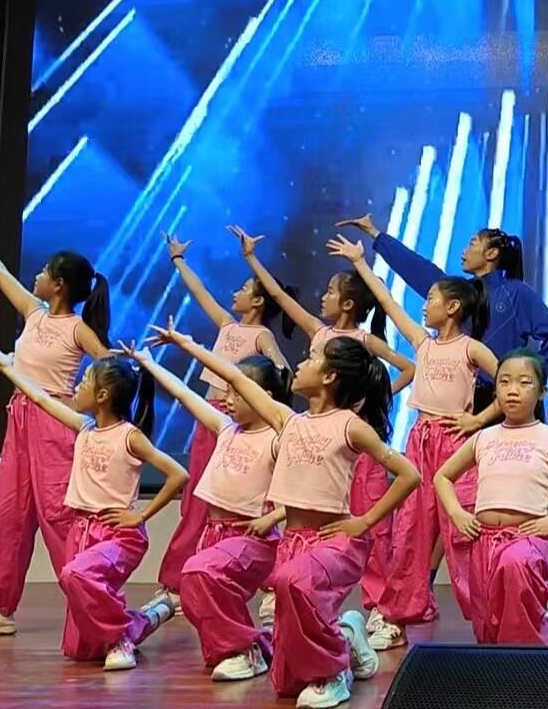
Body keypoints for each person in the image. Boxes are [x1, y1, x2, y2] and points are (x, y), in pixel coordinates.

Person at [149, 321, 420, 709]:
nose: (301, 363)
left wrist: (364, 522)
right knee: (287, 679)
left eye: (312, 358)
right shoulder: (287, 421)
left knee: (295, 582)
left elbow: (409, 474)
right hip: (294, 543)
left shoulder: (351, 426)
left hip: (333, 542)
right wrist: (185, 342)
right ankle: (347, 636)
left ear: (329, 376)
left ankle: (332, 673)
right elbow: (233, 377)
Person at [227, 224, 414, 628]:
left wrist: (372, 400)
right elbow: (280, 298)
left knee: (366, 524)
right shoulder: (319, 332)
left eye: (330, 292)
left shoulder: (364, 343)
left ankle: (378, 607)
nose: (323, 297)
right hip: (317, 439)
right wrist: (251, 258)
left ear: (347, 303)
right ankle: (299, 591)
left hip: (351, 441)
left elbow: (408, 368)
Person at [326, 233, 500, 651]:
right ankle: (396, 617)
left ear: (453, 307)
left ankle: (493, 619)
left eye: (432, 298)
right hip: (421, 441)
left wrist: (478, 419)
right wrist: (361, 262)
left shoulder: (472, 349)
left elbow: (512, 381)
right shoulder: (423, 344)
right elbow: (388, 302)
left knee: (463, 531)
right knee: (410, 532)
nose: (425, 304)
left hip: (455, 446)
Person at [0, 346, 186, 669]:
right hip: (82, 533)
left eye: (84, 381)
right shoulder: (84, 427)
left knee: (74, 574)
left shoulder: (129, 436)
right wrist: (9, 369)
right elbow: (41, 399)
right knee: (82, 648)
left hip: (117, 535)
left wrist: (140, 515)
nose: (77, 386)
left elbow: (178, 474)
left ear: (102, 395)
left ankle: (121, 638)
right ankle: (148, 617)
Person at [0, 217, 111, 638]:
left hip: (54, 427)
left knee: (61, 520)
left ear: (59, 284)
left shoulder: (78, 329)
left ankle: (92, 611)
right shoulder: (33, 312)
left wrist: (82, 406)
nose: (37, 276)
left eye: (44, 272)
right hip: (20, 421)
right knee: (7, 518)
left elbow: (111, 369)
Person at [127, 339, 287, 681]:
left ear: (264, 397)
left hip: (250, 536)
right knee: (194, 591)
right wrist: (149, 362)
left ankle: (245, 649)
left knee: (200, 573)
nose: (228, 399)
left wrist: (273, 517)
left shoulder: (277, 439)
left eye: (237, 393)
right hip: (214, 535)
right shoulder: (226, 428)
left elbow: (302, 492)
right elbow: (185, 394)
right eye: (227, 392)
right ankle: (254, 646)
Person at [148, 232, 290, 613]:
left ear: (258, 301)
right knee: (197, 502)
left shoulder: (262, 336)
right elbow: (201, 294)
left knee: (247, 505)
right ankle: (178, 582)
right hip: (213, 419)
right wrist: (178, 261)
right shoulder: (228, 324)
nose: (235, 293)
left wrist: (265, 407)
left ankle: (269, 583)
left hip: (238, 423)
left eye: (244, 289)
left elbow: (283, 372)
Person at [435, 348, 548, 646]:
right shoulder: (483, 437)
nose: (512, 390)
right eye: (504, 382)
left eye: (524, 382)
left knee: (515, 566)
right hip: (484, 540)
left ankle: (534, 656)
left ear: (542, 392)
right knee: (488, 627)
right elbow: (442, 476)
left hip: (529, 539)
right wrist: (456, 512)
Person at [334, 214, 548, 411]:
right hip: (460, 400)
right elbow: (417, 268)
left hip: (501, 401)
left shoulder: (517, 293)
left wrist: (529, 379)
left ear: (492, 253)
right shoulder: (462, 293)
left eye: (472, 244)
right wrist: (374, 233)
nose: (464, 251)